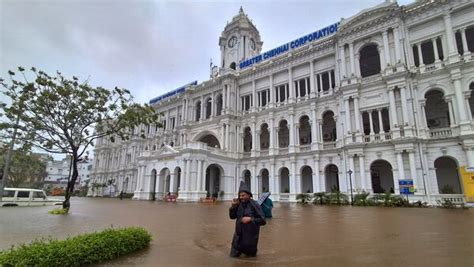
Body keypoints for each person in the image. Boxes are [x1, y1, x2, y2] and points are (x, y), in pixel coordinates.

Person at [229, 181, 266, 258]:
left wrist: (250, 219)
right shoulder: (238, 204)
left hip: (250, 240)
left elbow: (263, 220)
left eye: (243, 195)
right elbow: (232, 217)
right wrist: (233, 207)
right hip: (238, 238)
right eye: (240, 195)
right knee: (233, 258)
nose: (241, 197)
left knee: (251, 260)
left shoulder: (255, 205)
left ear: (249, 195)